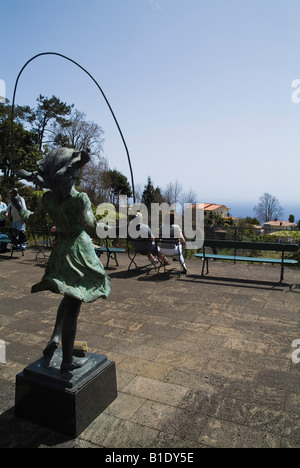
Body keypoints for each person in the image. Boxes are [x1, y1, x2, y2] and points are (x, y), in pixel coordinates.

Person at [11, 147, 111, 374]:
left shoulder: (47, 200)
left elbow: (31, 219)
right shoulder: (80, 200)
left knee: (68, 295)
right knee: (74, 304)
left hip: (60, 252)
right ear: (71, 175)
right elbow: (92, 227)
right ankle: (67, 361)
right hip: (80, 253)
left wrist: (19, 204)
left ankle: (55, 337)